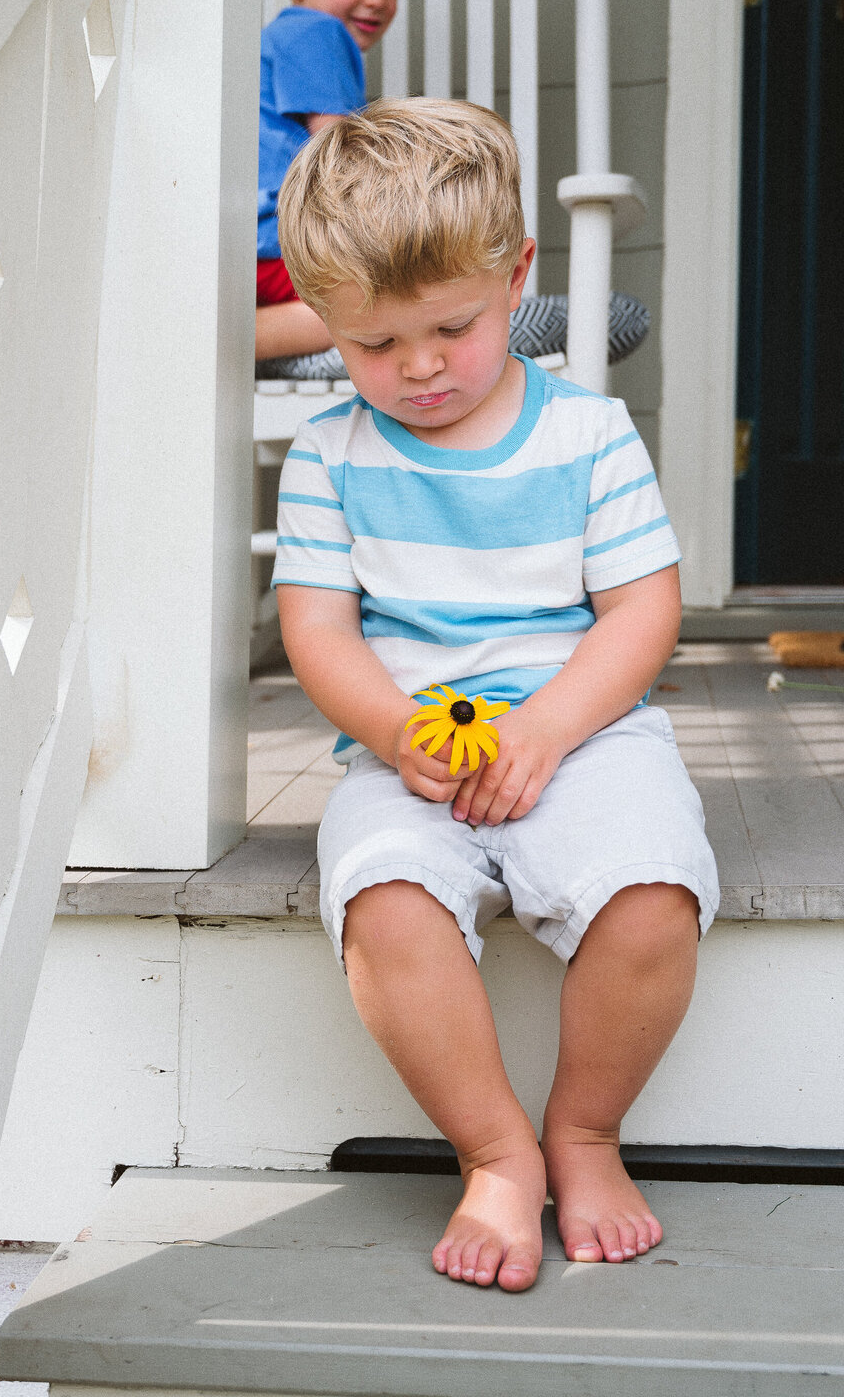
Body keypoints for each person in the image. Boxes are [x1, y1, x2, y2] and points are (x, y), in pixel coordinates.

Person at [272, 99, 719, 1294]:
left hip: (583, 732)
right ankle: (497, 1151)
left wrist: (551, 725)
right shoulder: (331, 455)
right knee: (387, 912)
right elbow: (317, 630)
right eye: (373, 346)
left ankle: (582, 1131)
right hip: (409, 753)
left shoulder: (587, 433)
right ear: (328, 327)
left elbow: (642, 611)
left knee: (652, 898)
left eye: (452, 329)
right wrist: (392, 730)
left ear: (515, 278)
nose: (416, 368)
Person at [256, 0, 412, 364]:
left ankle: (223, 328)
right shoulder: (317, 32)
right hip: (283, 247)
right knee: (387, 305)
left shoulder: (283, 37)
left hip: (255, 251)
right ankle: (229, 337)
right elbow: (340, 155)